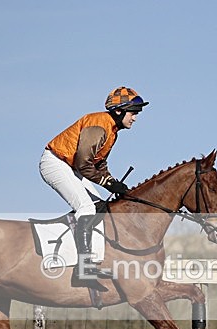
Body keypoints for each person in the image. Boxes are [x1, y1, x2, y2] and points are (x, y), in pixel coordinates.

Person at [40, 86, 149, 291]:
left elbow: (99, 164)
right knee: (87, 208)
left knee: (99, 207)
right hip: (55, 163)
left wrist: (113, 182)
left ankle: (86, 257)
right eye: (133, 113)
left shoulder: (112, 130)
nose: (135, 118)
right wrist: (109, 183)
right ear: (119, 111)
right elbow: (83, 164)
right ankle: (83, 269)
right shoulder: (99, 125)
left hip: (69, 166)